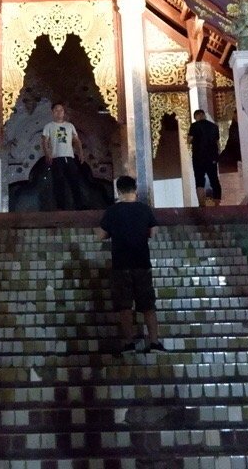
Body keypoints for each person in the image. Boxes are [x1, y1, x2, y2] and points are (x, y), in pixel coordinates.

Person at [98, 175, 164, 354]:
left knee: (125, 306)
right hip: (141, 262)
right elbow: (153, 232)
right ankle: (154, 342)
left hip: (121, 264)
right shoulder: (144, 209)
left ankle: (129, 343)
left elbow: (101, 235)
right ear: (135, 189)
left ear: (118, 191)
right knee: (148, 305)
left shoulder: (112, 211)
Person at [40, 102, 84, 210]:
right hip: (56, 158)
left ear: (64, 112)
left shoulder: (70, 126)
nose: (59, 112)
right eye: (56, 110)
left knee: (74, 181)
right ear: (52, 112)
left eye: (61, 110)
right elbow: (44, 141)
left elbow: (77, 140)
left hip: (69, 157)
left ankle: (79, 207)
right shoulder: (49, 126)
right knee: (58, 183)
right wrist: (47, 154)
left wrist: (81, 153)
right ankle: (61, 208)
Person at [187, 108, 221, 205]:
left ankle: (202, 205)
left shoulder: (194, 126)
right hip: (212, 158)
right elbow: (218, 143)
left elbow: (189, 140)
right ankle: (217, 204)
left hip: (198, 158)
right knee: (214, 179)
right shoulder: (214, 126)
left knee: (199, 180)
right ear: (204, 115)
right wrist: (217, 156)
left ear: (196, 117)